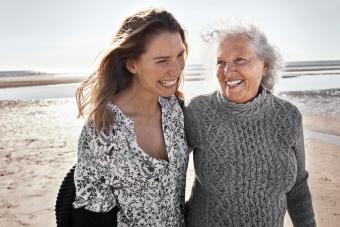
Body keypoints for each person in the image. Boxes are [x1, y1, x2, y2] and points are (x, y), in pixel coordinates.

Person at [184, 21, 316, 226]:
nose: (227, 71)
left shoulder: (288, 116)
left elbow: (298, 187)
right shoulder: (198, 111)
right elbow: (168, 177)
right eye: (221, 62)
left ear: (265, 65)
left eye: (239, 60)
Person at [72, 8, 189, 226]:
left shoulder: (176, 110)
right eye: (162, 60)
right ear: (131, 63)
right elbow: (91, 216)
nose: (176, 69)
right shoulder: (102, 130)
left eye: (180, 55)